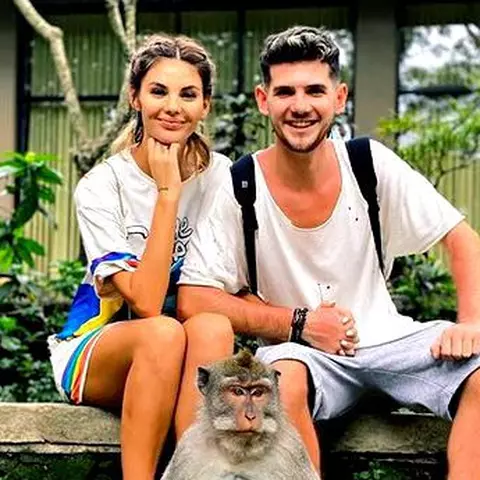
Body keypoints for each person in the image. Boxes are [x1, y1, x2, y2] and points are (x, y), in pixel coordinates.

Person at [177, 25, 480, 478]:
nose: (300, 106)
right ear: (263, 100)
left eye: (315, 91)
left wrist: (471, 321)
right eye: (285, 92)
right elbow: (194, 297)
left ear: (339, 98)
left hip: (390, 340)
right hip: (302, 355)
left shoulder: (368, 163)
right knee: (280, 385)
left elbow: (461, 238)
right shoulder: (239, 186)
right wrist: (299, 323)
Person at [47, 33, 234, 480]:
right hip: (100, 349)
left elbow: (225, 288)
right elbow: (147, 304)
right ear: (135, 97)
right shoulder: (102, 185)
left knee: (212, 326)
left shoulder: (222, 177)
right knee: (162, 333)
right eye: (158, 91)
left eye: (188, 94)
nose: (173, 107)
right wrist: (168, 193)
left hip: (184, 349)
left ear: (205, 106)